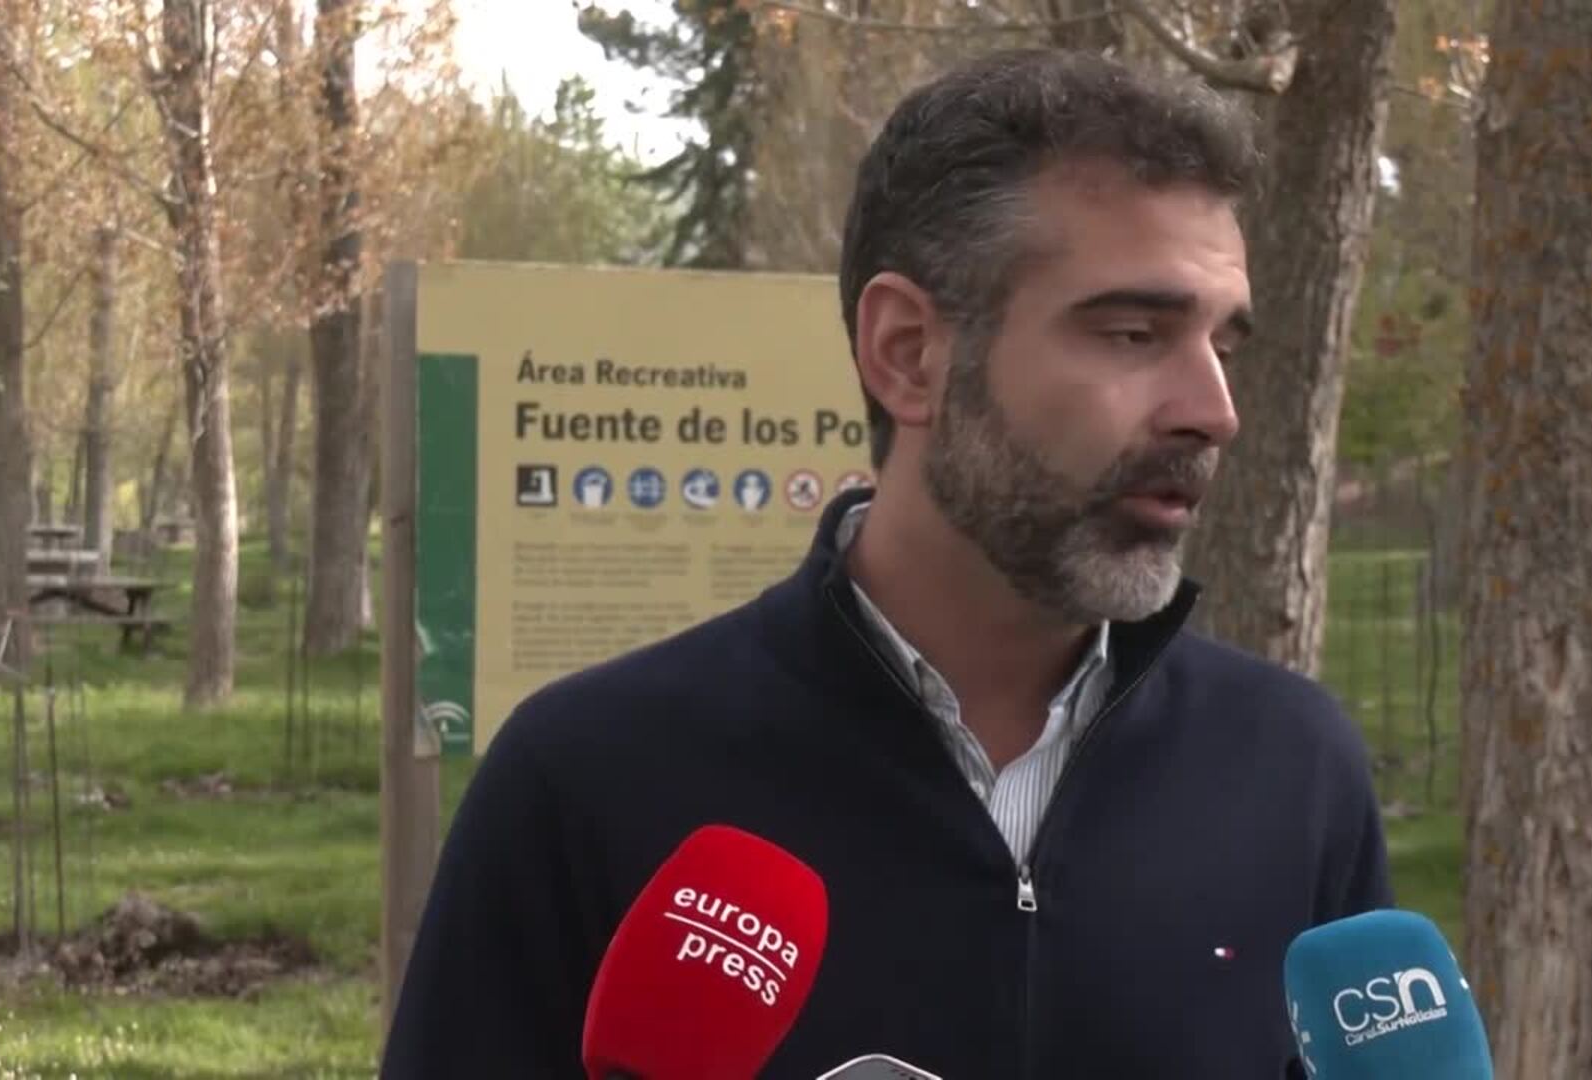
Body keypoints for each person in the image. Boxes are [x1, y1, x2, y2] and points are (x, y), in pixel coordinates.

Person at [382, 47, 1391, 1079]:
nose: (1213, 410)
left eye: (1226, 347)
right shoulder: (586, 777)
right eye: (1134, 333)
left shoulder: (1293, 769)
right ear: (908, 353)